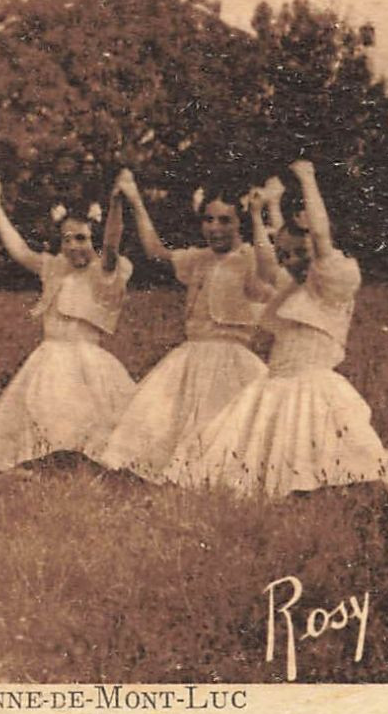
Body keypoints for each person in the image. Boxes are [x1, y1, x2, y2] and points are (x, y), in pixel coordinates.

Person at [164, 160, 388, 497]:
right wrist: (261, 213)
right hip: (277, 383)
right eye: (286, 255)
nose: (290, 260)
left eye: (299, 254)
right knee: (250, 451)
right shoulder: (290, 286)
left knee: (332, 450)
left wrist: (307, 179)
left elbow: (320, 237)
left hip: (311, 381)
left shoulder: (331, 286)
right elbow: (270, 260)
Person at [96, 170, 274, 481]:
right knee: (160, 418)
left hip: (232, 359)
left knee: (226, 429)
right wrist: (136, 200)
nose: (215, 228)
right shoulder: (199, 259)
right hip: (191, 357)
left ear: (239, 223)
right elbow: (155, 251)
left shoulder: (251, 260)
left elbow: (271, 267)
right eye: (209, 220)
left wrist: (260, 216)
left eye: (225, 220)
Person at [0, 176, 137, 470]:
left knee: (93, 417)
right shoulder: (54, 268)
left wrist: (116, 206)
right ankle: (45, 458)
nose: (74, 246)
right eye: (66, 239)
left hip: (87, 358)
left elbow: (113, 242)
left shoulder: (103, 273)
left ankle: (79, 458)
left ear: (95, 240)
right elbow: (19, 250)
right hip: (49, 355)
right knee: (42, 407)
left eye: (82, 238)